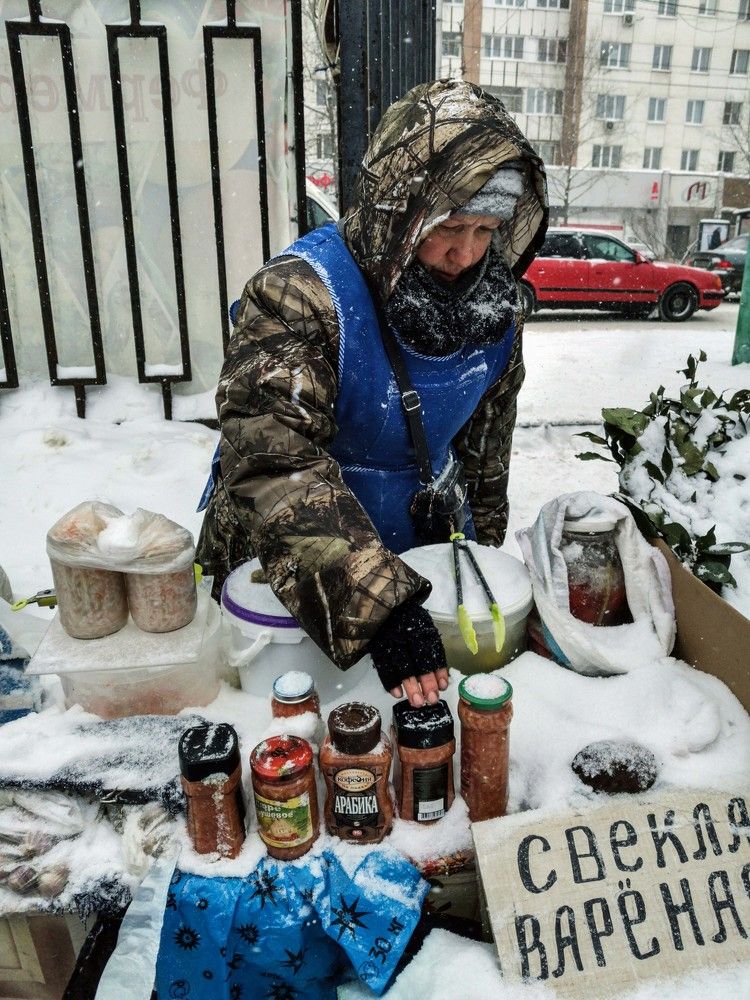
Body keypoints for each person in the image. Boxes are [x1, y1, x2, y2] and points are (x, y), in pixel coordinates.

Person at [196, 79, 548, 707]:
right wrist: (377, 604)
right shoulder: (300, 296)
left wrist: (480, 564)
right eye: (452, 225)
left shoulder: (494, 310)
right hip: (288, 575)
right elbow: (274, 462)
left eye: (488, 229)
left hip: (420, 553)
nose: (466, 253)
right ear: (399, 207)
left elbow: (484, 452)